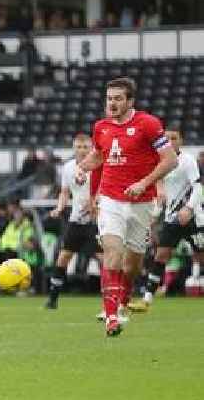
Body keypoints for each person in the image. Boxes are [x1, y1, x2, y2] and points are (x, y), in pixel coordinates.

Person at [76, 77, 177, 336]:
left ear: (130, 101)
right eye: (109, 98)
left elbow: (170, 160)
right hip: (111, 199)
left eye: (118, 98)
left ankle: (123, 298)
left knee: (132, 265)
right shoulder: (101, 127)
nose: (112, 103)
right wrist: (82, 169)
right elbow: (99, 155)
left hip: (142, 202)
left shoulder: (148, 124)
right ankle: (111, 317)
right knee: (112, 252)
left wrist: (144, 183)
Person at [130, 130, 203, 312]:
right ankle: (146, 301)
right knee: (160, 256)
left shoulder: (188, 160)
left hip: (194, 218)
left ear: (181, 140)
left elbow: (197, 187)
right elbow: (161, 192)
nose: (170, 141)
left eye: (174, 138)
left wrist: (188, 208)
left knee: (201, 256)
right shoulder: (160, 162)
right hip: (172, 218)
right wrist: (155, 214)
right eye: (167, 138)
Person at [45, 133, 102, 309]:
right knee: (63, 258)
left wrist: (95, 202)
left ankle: (114, 299)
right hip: (76, 220)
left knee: (105, 259)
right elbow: (64, 192)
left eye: (86, 147)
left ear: (91, 148)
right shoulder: (68, 168)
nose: (82, 150)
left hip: (96, 221)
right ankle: (52, 299)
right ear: (74, 148)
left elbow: (105, 188)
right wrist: (60, 207)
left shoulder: (98, 165)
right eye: (79, 147)